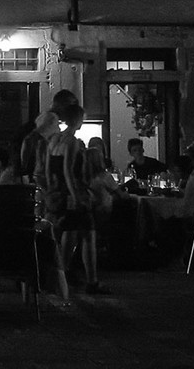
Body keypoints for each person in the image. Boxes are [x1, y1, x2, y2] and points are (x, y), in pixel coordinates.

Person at [46, 104, 107, 294]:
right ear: (78, 120)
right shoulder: (72, 142)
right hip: (73, 192)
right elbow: (69, 171)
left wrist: (52, 190)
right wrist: (76, 197)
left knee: (69, 235)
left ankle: (61, 278)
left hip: (59, 192)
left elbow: (49, 169)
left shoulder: (54, 140)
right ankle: (91, 281)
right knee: (88, 234)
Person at [18, 89, 78, 180]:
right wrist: (24, 168)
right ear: (61, 104)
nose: (71, 111)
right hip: (41, 173)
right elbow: (29, 139)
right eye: (70, 107)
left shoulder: (44, 116)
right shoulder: (51, 119)